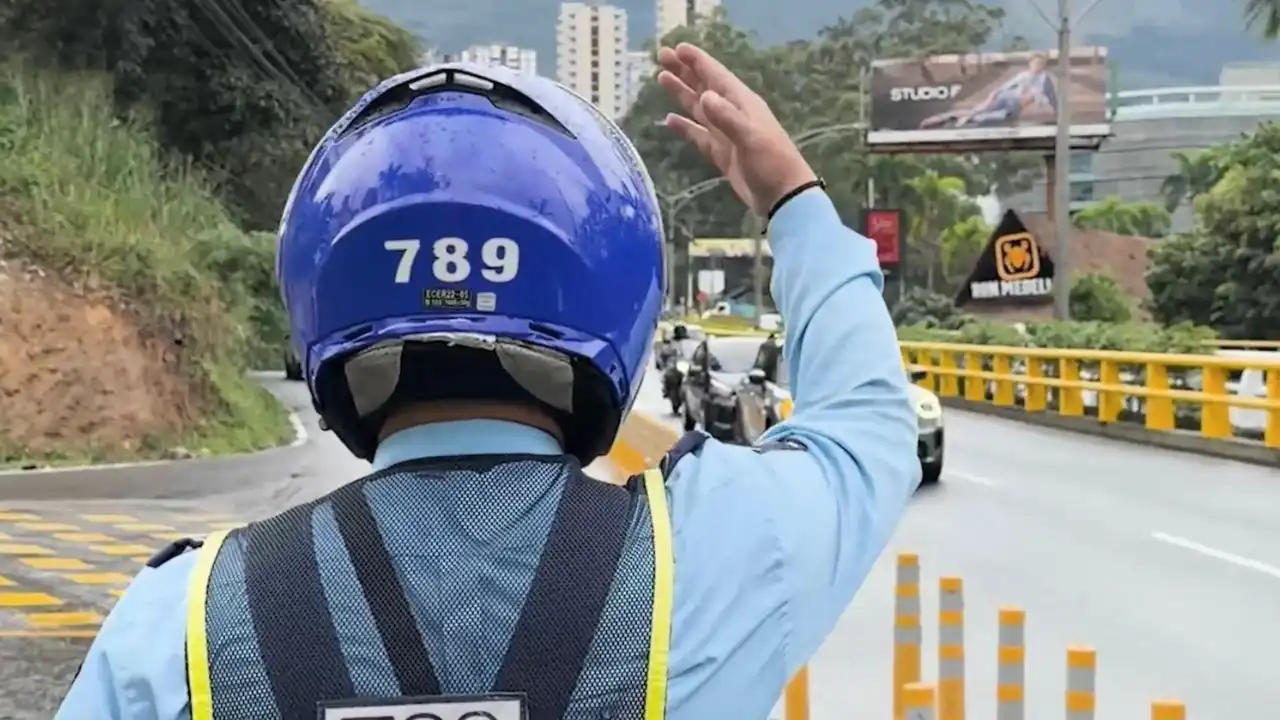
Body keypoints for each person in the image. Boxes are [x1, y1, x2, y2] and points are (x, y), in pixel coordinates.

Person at [56, 43, 919, 720]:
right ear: (616, 293)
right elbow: (870, 426)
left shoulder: (181, 625)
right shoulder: (720, 551)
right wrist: (794, 202)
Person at [921, 52, 1058, 129]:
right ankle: (941, 119)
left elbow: (1049, 98)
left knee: (988, 117)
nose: (1037, 66)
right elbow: (1003, 88)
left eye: (1040, 64)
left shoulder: (1044, 79)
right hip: (1007, 100)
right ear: (1030, 63)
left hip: (1013, 107)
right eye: (1035, 63)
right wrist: (991, 97)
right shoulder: (1022, 76)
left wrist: (1056, 114)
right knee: (978, 111)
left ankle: (960, 120)